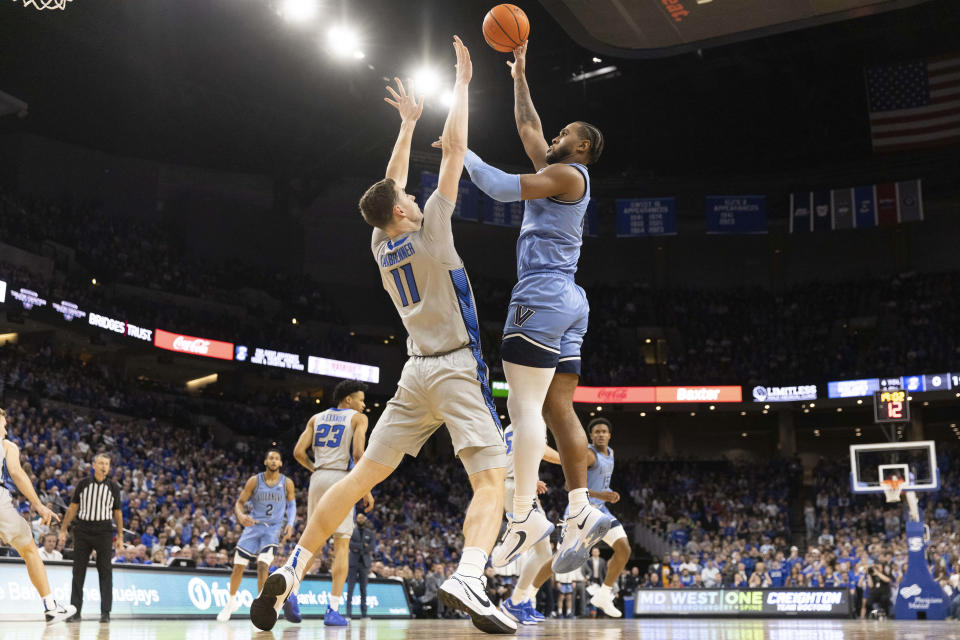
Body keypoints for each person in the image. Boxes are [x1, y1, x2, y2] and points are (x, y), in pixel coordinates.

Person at [249, 37, 515, 635]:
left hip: (414, 372)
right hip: (454, 368)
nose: (417, 196)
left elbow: (387, 185)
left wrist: (406, 125)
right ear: (402, 213)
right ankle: (471, 572)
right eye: (409, 199)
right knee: (491, 478)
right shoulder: (433, 233)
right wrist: (464, 84)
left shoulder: (379, 241)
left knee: (361, 475)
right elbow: (457, 152)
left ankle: (292, 570)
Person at [462, 40, 609, 575]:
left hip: (543, 293)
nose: (554, 137)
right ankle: (576, 507)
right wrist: (519, 73)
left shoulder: (568, 176)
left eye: (565, 134)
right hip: (571, 300)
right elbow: (528, 128)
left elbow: (499, 188)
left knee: (523, 410)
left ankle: (523, 515)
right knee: (557, 410)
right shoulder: (559, 170)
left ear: (583, 147)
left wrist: (461, 153)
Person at [293, 380, 371, 626]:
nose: (363, 404)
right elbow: (359, 454)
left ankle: (291, 592)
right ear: (348, 400)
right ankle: (333, 610)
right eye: (360, 399)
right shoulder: (358, 418)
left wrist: (315, 468)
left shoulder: (315, 418)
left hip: (318, 477)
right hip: (341, 478)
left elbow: (297, 452)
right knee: (342, 545)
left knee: (312, 543)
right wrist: (366, 488)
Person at [0, 409, 75, 623]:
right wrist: (39, 505)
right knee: (29, 549)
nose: (5, 430)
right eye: (3, 425)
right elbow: (16, 472)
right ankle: (50, 606)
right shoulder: (7, 446)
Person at [217, 448, 298, 623]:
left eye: (277, 458)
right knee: (238, 566)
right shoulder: (255, 481)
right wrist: (240, 515)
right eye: (271, 458)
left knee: (263, 565)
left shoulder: (287, 483)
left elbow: (292, 506)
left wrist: (290, 523)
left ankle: (261, 605)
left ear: (281, 463)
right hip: (253, 527)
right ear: (265, 462)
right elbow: (239, 503)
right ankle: (231, 602)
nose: (274, 461)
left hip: (272, 529)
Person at [496, 422, 560, 625]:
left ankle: (519, 600)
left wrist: (531, 478)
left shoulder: (510, 425)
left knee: (543, 554)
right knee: (538, 546)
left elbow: (519, 454)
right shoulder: (534, 421)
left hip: (515, 484)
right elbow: (538, 451)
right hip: (517, 487)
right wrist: (573, 458)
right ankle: (514, 599)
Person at [59, 452, 123, 622]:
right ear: (93, 465)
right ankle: (75, 611)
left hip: (104, 531)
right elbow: (72, 508)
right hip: (83, 530)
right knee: (78, 571)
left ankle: (105, 613)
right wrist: (63, 530)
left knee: (105, 572)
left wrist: (121, 536)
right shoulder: (83, 484)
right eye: (101, 463)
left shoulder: (114, 487)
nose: (104, 466)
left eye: (107, 464)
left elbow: (117, 513)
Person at [581, 418, 631, 616]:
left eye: (604, 431)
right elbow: (571, 487)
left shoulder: (611, 453)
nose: (601, 434)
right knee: (557, 563)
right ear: (591, 436)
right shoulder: (587, 454)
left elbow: (601, 483)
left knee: (624, 549)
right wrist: (603, 495)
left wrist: (610, 493)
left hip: (601, 510)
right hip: (582, 511)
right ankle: (526, 594)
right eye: (597, 432)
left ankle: (604, 594)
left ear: (609, 435)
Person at [347, 512, 375, 618]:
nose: (360, 519)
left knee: (363, 589)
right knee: (350, 589)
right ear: (356, 519)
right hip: (353, 563)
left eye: (362, 518)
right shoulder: (352, 532)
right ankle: (348, 614)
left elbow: (371, 546)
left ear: (365, 519)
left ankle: (364, 614)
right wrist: (363, 545)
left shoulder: (370, 533)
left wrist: (358, 547)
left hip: (364, 564)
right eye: (358, 518)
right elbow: (350, 544)